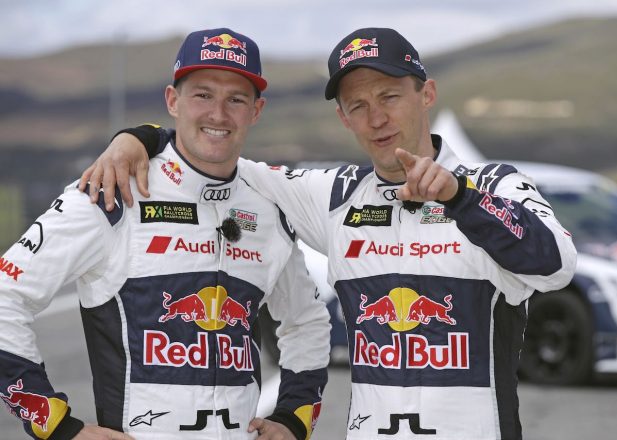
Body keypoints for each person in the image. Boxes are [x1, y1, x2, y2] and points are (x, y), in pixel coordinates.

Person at [80, 27, 577, 440]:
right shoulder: (333, 195)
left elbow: (556, 265)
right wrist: (139, 137)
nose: (376, 118)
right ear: (342, 117)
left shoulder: (494, 184)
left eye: (389, 97)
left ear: (426, 93)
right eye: (357, 105)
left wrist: (459, 197)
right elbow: (211, 146)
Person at [0, 27, 331, 440]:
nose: (218, 114)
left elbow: (306, 322)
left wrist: (294, 417)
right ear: (173, 101)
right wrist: (56, 425)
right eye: (203, 95)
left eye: (236, 99)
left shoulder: (268, 206)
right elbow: (6, 295)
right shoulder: (112, 191)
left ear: (256, 110)